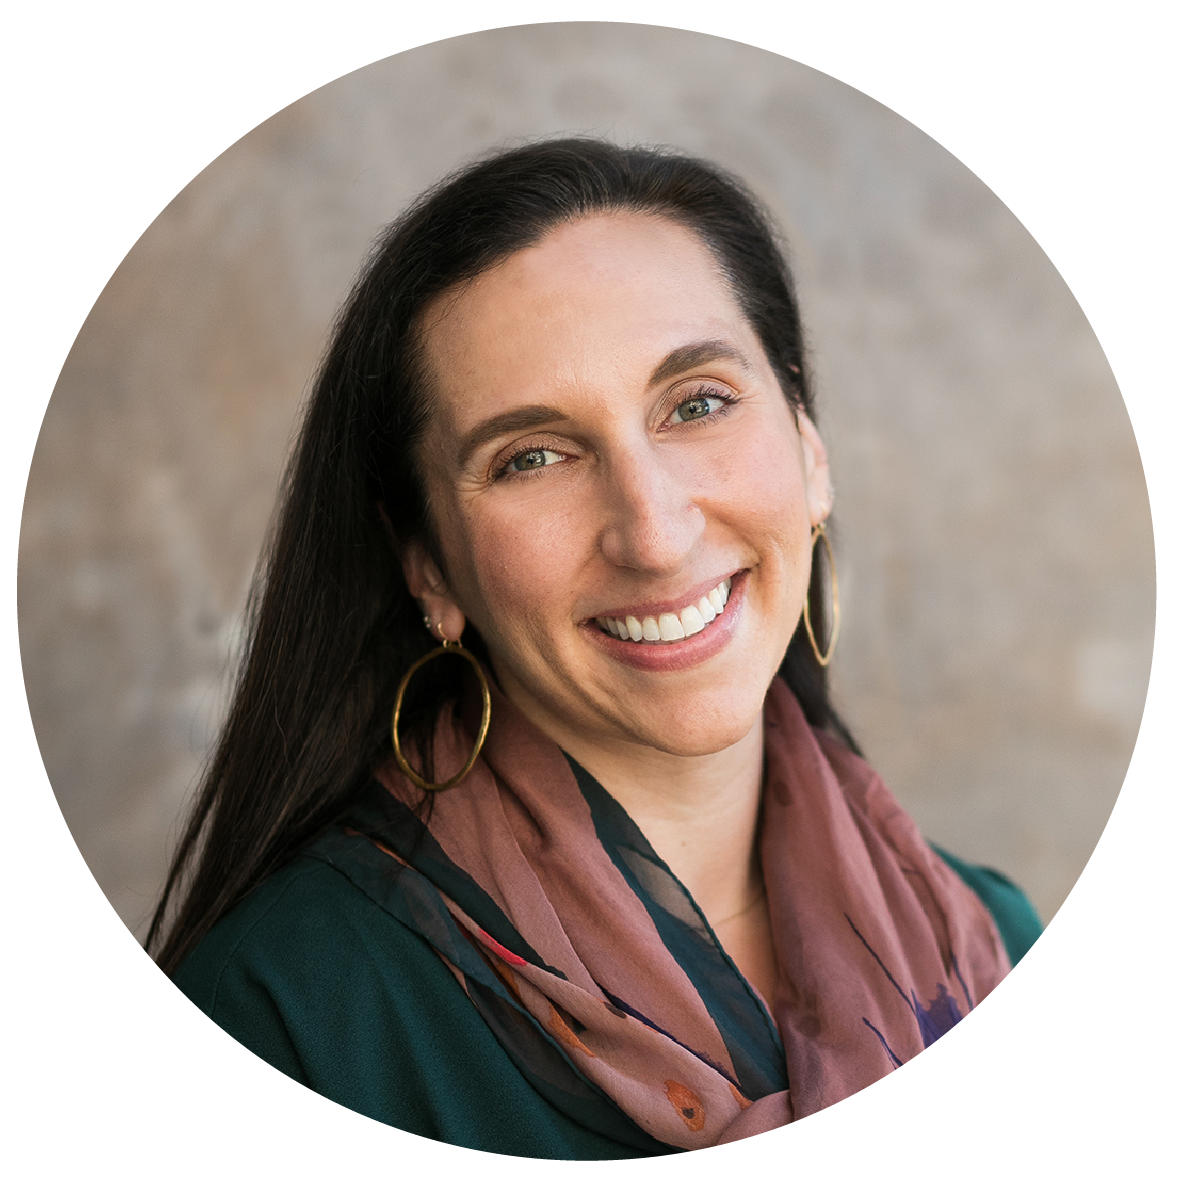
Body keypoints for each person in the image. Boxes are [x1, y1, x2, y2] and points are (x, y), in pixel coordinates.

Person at [148, 138, 1054, 1195]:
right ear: (429, 565)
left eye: (699, 402)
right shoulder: (275, 1023)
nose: (655, 533)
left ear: (810, 448)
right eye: (532, 456)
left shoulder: (1004, 947)